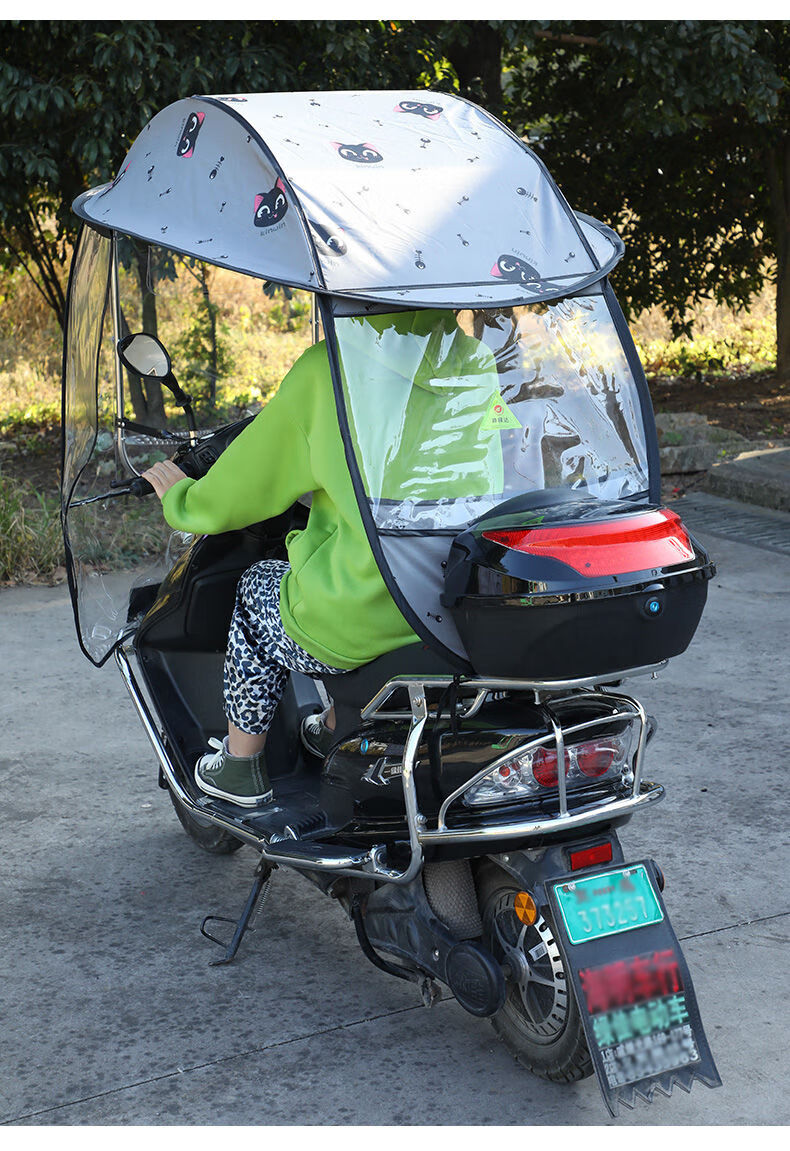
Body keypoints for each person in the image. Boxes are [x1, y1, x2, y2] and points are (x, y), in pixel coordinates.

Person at [143, 309, 501, 808]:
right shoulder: (477, 363)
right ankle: (335, 724)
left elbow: (248, 483)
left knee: (257, 591)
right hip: (460, 601)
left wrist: (183, 499)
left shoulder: (328, 371)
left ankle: (241, 765)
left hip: (366, 611)